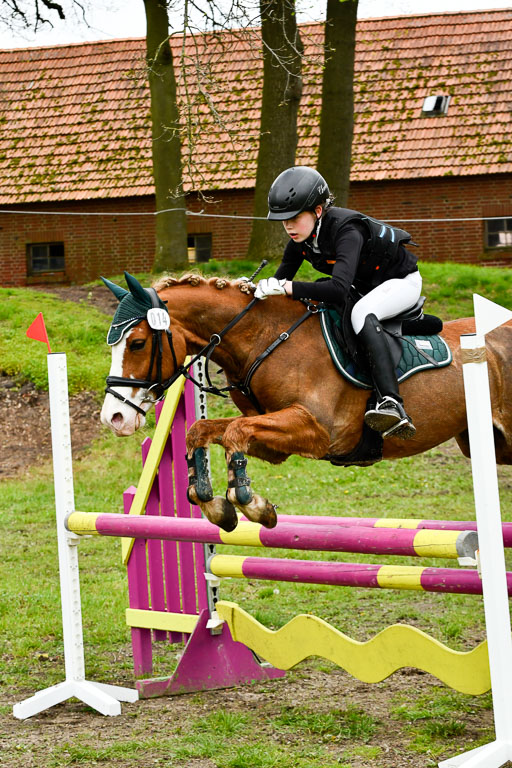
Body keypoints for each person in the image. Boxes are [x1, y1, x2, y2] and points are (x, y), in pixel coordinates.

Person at [254, 165, 422, 440]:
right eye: (284, 220)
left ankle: (392, 403)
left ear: (318, 211)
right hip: (365, 285)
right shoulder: (300, 241)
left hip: (401, 282)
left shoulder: (347, 230)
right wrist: (258, 290)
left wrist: (287, 287)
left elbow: (338, 289)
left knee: (362, 313)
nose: (288, 226)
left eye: (294, 217)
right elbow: (280, 280)